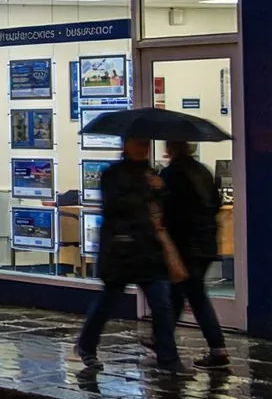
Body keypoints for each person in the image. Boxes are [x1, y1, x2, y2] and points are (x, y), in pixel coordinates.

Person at [75, 135, 186, 374]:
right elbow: (116, 208)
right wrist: (148, 191)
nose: (143, 148)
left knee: (162, 306)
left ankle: (168, 359)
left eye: (146, 144)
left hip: (148, 251)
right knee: (107, 304)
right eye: (138, 143)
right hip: (120, 250)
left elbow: (160, 210)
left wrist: (161, 191)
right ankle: (86, 345)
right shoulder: (113, 175)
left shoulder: (151, 174)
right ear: (125, 145)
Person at [160, 140, 230, 369]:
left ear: (171, 148)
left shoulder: (172, 174)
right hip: (206, 243)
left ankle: (218, 350)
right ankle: (162, 338)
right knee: (178, 294)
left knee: (195, 296)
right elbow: (216, 203)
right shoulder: (202, 171)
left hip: (186, 246)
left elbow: (171, 212)